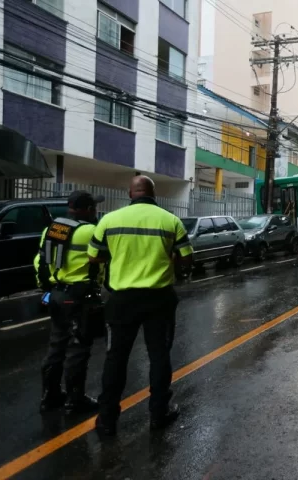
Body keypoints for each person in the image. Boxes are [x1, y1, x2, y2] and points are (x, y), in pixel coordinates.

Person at [88, 175, 193, 436]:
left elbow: (94, 256)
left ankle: (107, 421)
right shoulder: (171, 221)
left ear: (130, 193)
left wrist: (119, 258)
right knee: (159, 357)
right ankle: (159, 414)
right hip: (159, 299)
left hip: (121, 301)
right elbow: (187, 259)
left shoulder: (109, 220)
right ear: (153, 194)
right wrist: (170, 267)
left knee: (115, 360)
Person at [37, 191, 105, 414]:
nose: (96, 211)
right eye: (93, 207)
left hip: (56, 293)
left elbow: (40, 261)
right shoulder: (90, 231)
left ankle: (50, 396)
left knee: (56, 345)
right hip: (79, 297)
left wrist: (47, 288)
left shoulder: (52, 228)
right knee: (78, 348)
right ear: (85, 209)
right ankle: (75, 400)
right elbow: (104, 259)